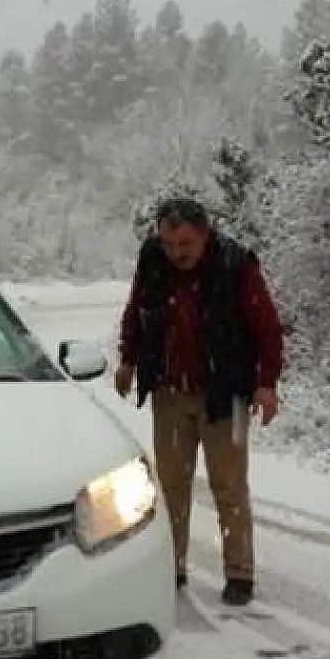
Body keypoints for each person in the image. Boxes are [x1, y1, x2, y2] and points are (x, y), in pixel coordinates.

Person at [114, 197, 284, 606]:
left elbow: (268, 328)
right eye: (169, 243)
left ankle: (240, 572)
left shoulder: (236, 264)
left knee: (230, 486)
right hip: (170, 392)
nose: (177, 253)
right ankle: (171, 566)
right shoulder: (152, 260)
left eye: (185, 244)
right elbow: (136, 311)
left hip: (230, 394)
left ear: (205, 235)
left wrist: (267, 383)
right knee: (171, 485)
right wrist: (128, 359)